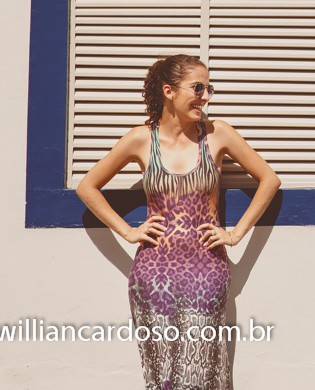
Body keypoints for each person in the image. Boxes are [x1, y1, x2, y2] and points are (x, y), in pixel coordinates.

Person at [77, 54, 281, 390]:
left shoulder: (217, 134)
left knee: (201, 371)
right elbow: (87, 187)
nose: (206, 97)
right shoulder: (141, 139)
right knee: (162, 375)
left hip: (207, 271)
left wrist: (235, 235)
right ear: (169, 91)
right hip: (153, 275)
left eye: (209, 89)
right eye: (198, 88)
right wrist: (128, 231)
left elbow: (269, 180)